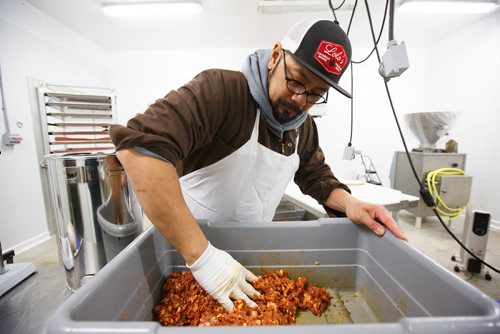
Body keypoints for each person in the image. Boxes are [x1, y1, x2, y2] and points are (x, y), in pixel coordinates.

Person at [110, 18, 407, 312]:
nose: (301, 99)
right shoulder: (222, 92)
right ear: (276, 56)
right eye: (296, 80)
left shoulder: (303, 128)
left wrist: (350, 203)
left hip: (249, 262)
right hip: (185, 259)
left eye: (316, 93)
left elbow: (315, 176)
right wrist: (204, 259)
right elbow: (141, 151)